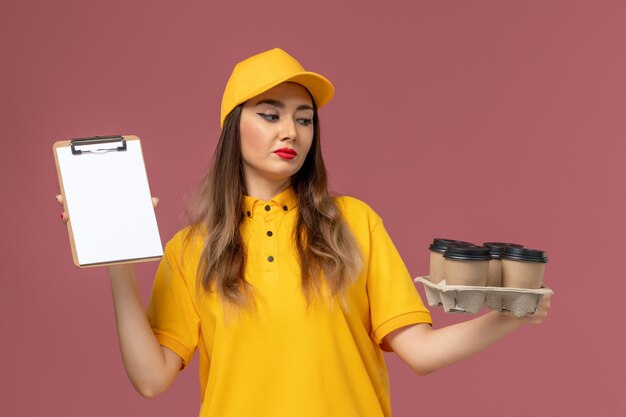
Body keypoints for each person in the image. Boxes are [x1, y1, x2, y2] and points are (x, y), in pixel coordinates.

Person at [58, 48, 550, 417]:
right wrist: (118, 265)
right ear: (234, 127)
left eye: (304, 118)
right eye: (270, 115)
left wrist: (513, 315)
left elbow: (419, 352)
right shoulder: (191, 249)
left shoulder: (354, 223)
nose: (290, 132)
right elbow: (151, 380)